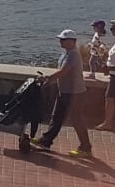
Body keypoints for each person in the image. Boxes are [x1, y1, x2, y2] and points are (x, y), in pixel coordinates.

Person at [32, 29, 92, 157]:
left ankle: (86, 148)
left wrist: (47, 79)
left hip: (75, 94)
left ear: (72, 41)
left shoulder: (73, 55)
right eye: (60, 39)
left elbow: (62, 72)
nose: (60, 41)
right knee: (57, 117)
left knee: (77, 120)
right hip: (64, 91)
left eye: (63, 40)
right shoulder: (66, 53)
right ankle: (46, 141)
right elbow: (61, 73)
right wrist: (50, 81)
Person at [94, 19, 115, 131]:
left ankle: (108, 123)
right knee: (110, 98)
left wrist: (109, 67)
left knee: (110, 98)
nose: (111, 31)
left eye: (113, 29)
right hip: (113, 74)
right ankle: (108, 122)